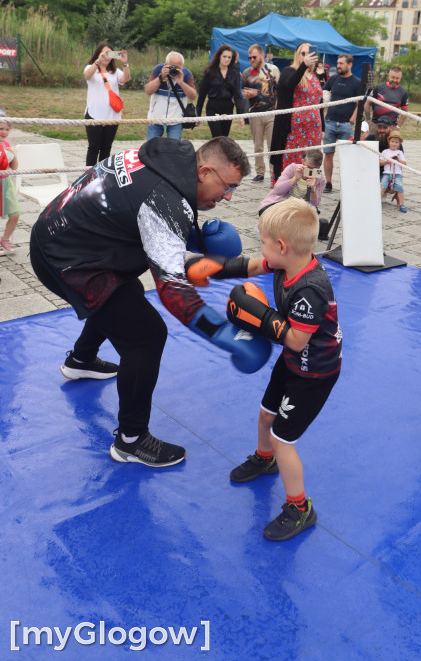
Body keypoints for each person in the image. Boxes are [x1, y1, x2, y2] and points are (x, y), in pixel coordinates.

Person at [29, 136, 272, 467]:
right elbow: (173, 291)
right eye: (227, 186)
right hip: (67, 259)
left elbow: (144, 215)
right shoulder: (166, 200)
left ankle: (81, 360)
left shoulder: (168, 156)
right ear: (204, 171)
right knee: (146, 335)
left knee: (121, 293)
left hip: (66, 234)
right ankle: (131, 440)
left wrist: (197, 237)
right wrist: (227, 335)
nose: (227, 197)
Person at [186, 198, 342, 540]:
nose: (262, 250)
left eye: (264, 242)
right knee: (265, 414)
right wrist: (212, 268)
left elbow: (297, 340)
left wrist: (259, 315)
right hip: (292, 363)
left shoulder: (310, 290)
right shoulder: (284, 262)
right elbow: (250, 266)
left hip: (314, 373)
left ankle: (301, 508)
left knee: (283, 439)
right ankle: (263, 458)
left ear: (282, 246)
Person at [269, 43, 323, 184]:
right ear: (297, 55)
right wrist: (303, 66)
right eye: (302, 53)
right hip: (295, 130)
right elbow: (289, 84)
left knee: (311, 160)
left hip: (313, 130)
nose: (305, 56)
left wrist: (322, 127)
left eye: (308, 54)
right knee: (293, 160)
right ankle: (288, 189)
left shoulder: (315, 77)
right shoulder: (289, 71)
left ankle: (308, 189)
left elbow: (319, 103)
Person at [83, 42, 130, 166]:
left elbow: (125, 79)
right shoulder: (91, 68)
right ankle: (88, 177)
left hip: (112, 116)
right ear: (98, 53)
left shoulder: (115, 71)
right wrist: (98, 61)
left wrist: (125, 63)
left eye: (110, 54)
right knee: (93, 147)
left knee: (106, 148)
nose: (107, 57)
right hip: (94, 115)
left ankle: (102, 177)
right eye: (104, 53)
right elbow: (87, 76)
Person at [322, 54, 361, 192]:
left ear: (349, 65)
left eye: (341, 63)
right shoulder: (333, 79)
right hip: (330, 122)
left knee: (347, 156)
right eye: (338, 63)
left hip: (346, 125)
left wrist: (351, 121)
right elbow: (325, 90)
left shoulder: (357, 82)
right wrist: (326, 97)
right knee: (328, 153)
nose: (338, 66)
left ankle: (347, 183)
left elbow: (360, 104)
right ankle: (328, 182)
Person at [241, 44, 280, 183]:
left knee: (272, 145)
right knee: (258, 145)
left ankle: (274, 172)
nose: (252, 59)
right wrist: (248, 94)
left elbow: (279, 90)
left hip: (271, 113)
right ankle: (259, 172)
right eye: (250, 57)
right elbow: (243, 92)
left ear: (262, 56)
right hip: (254, 113)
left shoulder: (273, 70)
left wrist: (277, 109)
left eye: (254, 57)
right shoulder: (246, 72)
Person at [145, 51, 197, 141]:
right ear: (166, 64)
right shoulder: (158, 70)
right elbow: (148, 91)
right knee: (151, 147)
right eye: (172, 66)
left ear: (182, 66)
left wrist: (181, 82)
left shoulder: (187, 74)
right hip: (155, 118)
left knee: (174, 148)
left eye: (178, 67)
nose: (175, 69)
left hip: (176, 119)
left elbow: (193, 96)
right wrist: (161, 77)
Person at [196, 45, 245, 138]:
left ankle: (220, 153)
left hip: (228, 109)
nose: (226, 59)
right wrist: (197, 115)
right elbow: (202, 95)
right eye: (224, 56)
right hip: (213, 108)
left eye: (229, 57)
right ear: (219, 56)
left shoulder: (235, 74)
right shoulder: (210, 72)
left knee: (224, 138)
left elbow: (237, 95)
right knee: (217, 137)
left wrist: (241, 115)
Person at [258, 148, 325, 215]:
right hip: (281, 204)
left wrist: (312, 190)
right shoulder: (292, 168)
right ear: (302, 162)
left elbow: (314, 205)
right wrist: (295, 178)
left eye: (314, 169)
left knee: (319, 221)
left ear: (319, 168)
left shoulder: (320, 179)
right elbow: (277, 190)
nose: (310, 171)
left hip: (301, 209)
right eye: (308, 167)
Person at [0, 120, 19, 254]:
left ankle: (5, 239)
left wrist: (12, 152)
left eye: (7, 129)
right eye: (1, 129)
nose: (4, 132)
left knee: (15, 214)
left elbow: (14, 167)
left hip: (6, 182)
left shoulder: (7, 145)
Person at [380, 130, 407, 212]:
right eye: (392, 141)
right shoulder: (385, 152)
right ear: (389, 141)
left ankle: (402, 204)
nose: (394, 144)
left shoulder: (399, 152)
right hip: (387, 173)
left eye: (396, 142)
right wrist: (386, 162)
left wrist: (398, 160)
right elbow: (380, 162)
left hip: (397, 174)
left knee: (399, 188)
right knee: (383, 186)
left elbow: (405, 163)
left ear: (399, 143)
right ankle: (377, 202)